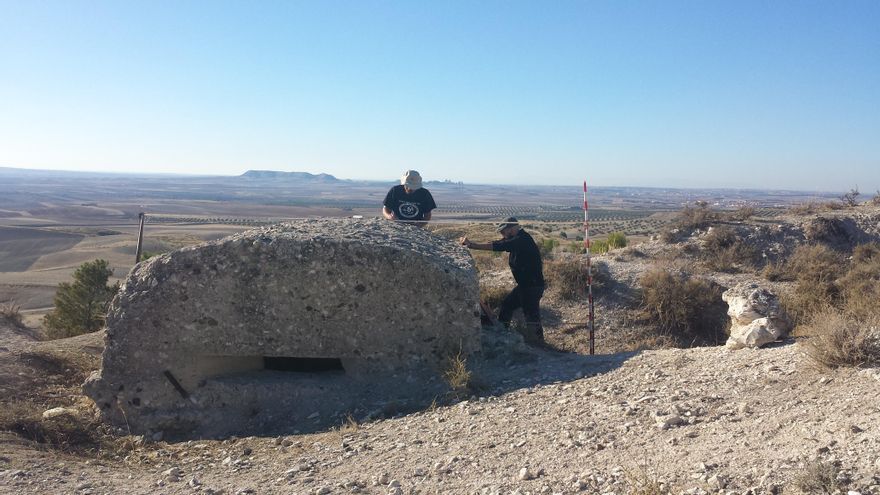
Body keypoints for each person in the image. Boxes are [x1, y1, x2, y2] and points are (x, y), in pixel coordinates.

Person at [459, 217, 546, 344]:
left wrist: (472, 245)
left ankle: (539, 345)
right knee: (507, 305)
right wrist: (473, 244)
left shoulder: (522, 239)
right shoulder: (516, 238)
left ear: (511, 229)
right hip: (525, 286)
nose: (502, 235)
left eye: (503, 232)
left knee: (531, 316)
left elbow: (501, 245)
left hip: (532, 286)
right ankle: (503, 334)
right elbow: (499, 242)